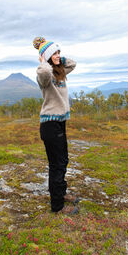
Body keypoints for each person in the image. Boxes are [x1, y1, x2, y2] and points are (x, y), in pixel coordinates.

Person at [33, 36, 79, 214]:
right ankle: (57, 206)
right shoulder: (45, 76)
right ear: (47, 57)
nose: (58, 55)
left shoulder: (60, 72)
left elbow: (73, 64)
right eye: (55, 53)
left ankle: (61, 193)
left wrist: (58, 57)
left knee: (63, 160)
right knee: (57, 164)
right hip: (50, 124)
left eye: (59, 52)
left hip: (59, 123)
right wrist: (45, 58)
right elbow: (43, 72)